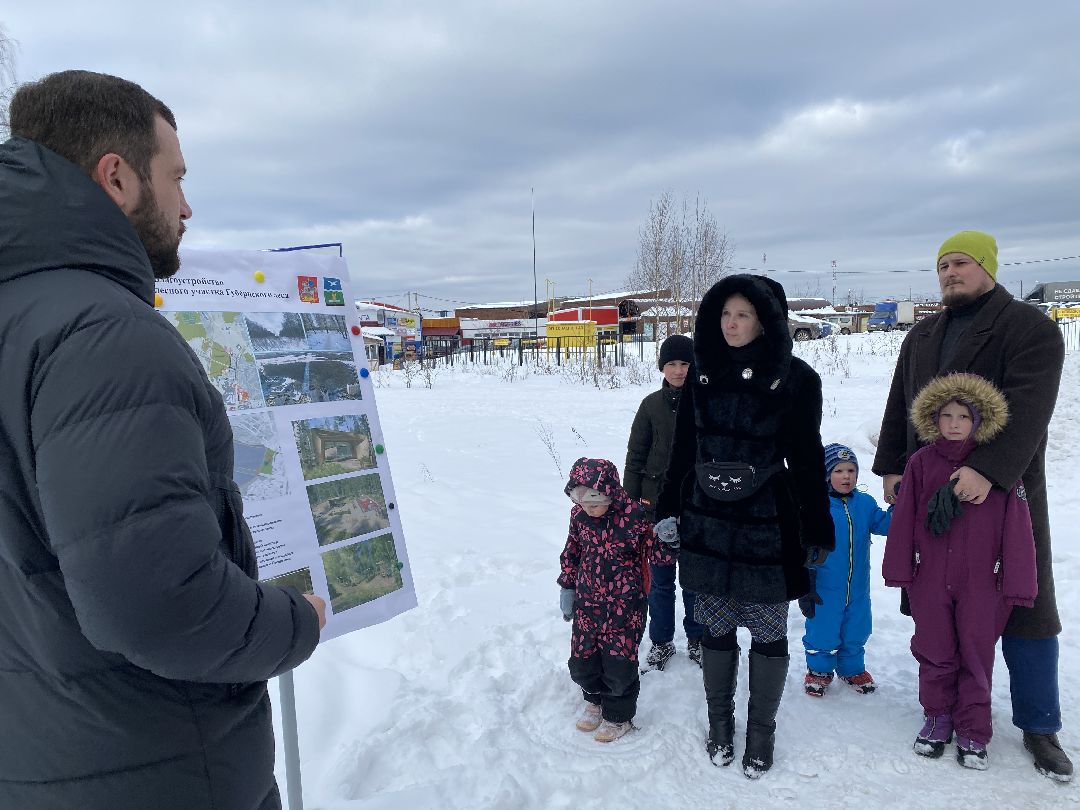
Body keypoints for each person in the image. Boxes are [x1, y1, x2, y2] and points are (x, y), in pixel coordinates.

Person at [0, 71, 325, 808]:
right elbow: (153, 603)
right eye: (174, 177)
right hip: (159, 766)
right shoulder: (104, 335)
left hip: (44, 751)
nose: (186, 206)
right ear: (115, 178)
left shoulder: (23, 316)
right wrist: (294, 624)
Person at [872, 230, 1072, 782]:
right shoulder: (923, 335)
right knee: (939, 606)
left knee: (1026, 606)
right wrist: (892, 464)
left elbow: (1031, 409)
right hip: (931, 492)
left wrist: (989, 470)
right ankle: (944, 709)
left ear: (987, 266)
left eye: (960, 263)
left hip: (1004, 495)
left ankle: (1039, 724)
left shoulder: (1029, 328)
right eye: (941, 266)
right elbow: (900, 405)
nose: (949, 273)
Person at [654, 274, 834, 778]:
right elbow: (683, 451)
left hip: (766, 524)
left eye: (743, 315)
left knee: (768, 630)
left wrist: (817, 529)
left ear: (765, 321)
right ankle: (719, 724)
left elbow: (804, 458)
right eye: (725, 314)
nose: (731, 325)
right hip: (708, 521)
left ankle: (762, 731)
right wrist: (667, 509)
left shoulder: (798, 379)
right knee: (715, 625)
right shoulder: (702, 375)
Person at [883, 373, 1036, 769]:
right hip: (929, 580)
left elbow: (1018, 528)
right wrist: (900, 569)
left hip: (983, 584)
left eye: (963, 417)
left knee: (975, 654)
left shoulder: (995, 469)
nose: (953, 424)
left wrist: (1017, 582)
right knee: (935, 650)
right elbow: (903, 521)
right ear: (933, 420)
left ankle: (973, 728)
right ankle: (937, 717)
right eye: (945, 415)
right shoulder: (921, 463)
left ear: (979, 421)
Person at [557, 457, 677, 743]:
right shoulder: (579, 517)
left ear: (610, 490)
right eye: (581, 501)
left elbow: (657, 557)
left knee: (619, 665)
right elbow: (571, 553)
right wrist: (567, 587)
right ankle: (594, 700)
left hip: (626, 607)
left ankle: (618, 717)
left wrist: (668, 540)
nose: (588, 508)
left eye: (594, 501)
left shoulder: (634, 517)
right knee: (583, 660)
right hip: (588, 604)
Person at [624, 334, 705, 671]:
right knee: (660, 583)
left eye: (685, 363)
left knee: (694, 581)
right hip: (655, 507)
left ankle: (698, 640)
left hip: (697, 508)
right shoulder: (651, 405)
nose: (678, 370)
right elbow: (635, 454)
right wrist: (631, 502)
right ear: (662, 367)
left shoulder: (706, 402)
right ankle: (661, 641)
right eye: (672, 363)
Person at [800, 444, 892, 697]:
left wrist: (900, 505)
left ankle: (852, 669)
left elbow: (887, 525)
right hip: (823, 587)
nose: (846, 476)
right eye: (838, 470)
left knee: (857, 627)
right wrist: (803, 579)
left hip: (858, 587)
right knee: (824, 629)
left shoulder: (864, 503)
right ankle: (819, 670)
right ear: (826, 475)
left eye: (851, 470)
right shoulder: (815, 506)